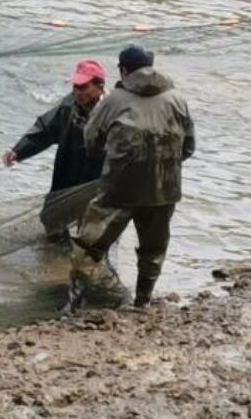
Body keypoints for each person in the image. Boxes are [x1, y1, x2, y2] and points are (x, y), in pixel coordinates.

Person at [64, 45, 195, 312]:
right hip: (164, 189)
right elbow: (189, 146)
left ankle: (73, 303)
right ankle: (142, 301)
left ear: (124, 70)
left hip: (119, 189)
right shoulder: (177, 99)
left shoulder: (115, 100)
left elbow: (91, 141)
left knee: (88, 245)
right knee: (153, 249)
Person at [3, 60, 108, 240]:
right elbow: (45, 129)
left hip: (97, 177)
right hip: (68, 171)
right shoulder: (68, 107)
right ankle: (55, 262)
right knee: (51, 217)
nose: (77, 92)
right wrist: (19, 151)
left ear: (99, 86)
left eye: (83, 87)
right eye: (75, 86)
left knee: (92, 228)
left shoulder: (113, 111)